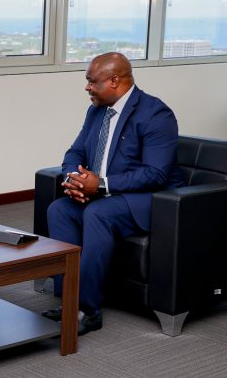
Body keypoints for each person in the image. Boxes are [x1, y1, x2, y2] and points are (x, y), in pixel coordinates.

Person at [43, 52, 183, 335]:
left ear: (114, 81)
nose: (87, 87)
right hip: (107, 194)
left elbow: (156, 174)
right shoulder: (96, 111)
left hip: (150, 200)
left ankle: (88, 309)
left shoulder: (156, 114)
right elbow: (75, 152)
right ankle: (69, 298)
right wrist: (74, 179)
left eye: (92, 81)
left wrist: (101, 184)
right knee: (59, 209)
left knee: (98, 213)